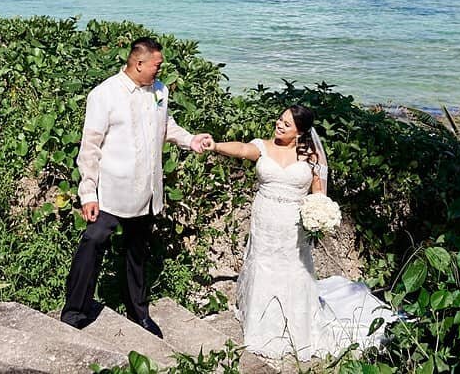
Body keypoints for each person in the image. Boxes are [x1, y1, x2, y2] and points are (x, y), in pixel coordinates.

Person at [211, 105, 394, 360]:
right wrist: (215, 145)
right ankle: (261, 322)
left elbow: (319, 193)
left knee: (294, 269)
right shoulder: (263, 146)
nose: (280, 124)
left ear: (300, 131)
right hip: (265, 218)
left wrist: (319, 214)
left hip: (294, 223)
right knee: (263, 264)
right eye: (280, 119)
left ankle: (296, 322)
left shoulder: (312, 157)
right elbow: (242, 149)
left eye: (287, 123)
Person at [60, 37, 213, 337]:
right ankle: (74, 312)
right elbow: (90, 146)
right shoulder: (103, 94)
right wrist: (87, 192)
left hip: (147, 189)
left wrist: (190, 139)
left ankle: (138, 313)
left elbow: (165, 126)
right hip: (111, 190)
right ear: (138, 63)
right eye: (157, 64)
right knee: (93, 243)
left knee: (137, 252)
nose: (161, 69)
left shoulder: (160, 90)